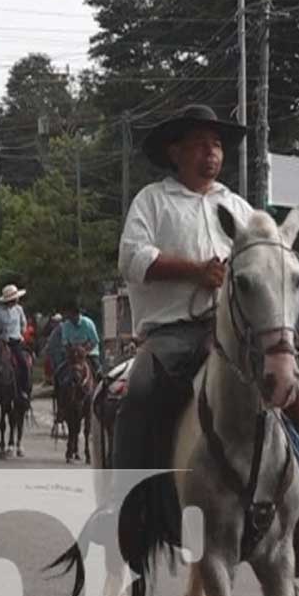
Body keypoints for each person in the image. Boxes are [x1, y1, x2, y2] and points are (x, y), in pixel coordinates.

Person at [113, 103, 254, 486]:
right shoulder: (152, 200)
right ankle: (123, 502)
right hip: (170, 334)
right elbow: (132, 258)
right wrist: (196, 271)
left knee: (291, 391)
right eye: (201, 145)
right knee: (139, 392)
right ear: (175, 152)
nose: (211, 153)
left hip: (232, 332)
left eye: (217, 146)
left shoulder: (239, 207)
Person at [0, 284, 32, 402]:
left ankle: (24, 389)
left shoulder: (18, 309)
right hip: (1, 341)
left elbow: (23, 323)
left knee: (23, 363)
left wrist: (21, 334)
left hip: (16, 341)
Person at [57, 299, 102, 379]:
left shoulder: (88, 323)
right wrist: (71, 351)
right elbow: (65, 343)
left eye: (72, 315)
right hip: (73, 354)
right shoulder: (66, 325)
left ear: (77, 314)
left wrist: (84, 351)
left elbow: (95, 341)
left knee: (98, 371)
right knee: (59, 372)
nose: (71, 318)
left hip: (89, 353)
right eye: (69, 316)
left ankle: (103, 388)